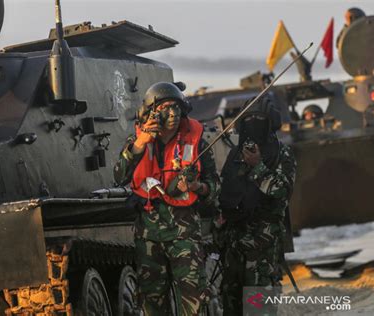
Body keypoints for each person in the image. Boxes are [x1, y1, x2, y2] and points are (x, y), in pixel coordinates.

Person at [114, 82, 219, 315]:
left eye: (176, 107)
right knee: (152, 302)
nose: (172, 114)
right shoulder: (138, 140)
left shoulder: (196, 139)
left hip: (185, 234)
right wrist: (140, 144)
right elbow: (120, 176)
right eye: (165, 108)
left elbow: (214, 186)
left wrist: (197, 186)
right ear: (151, 112)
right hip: (149, 234)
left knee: (194, 300)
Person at [216, 96, 296, 315]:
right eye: (249, 118)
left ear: (270, 122)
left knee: (259, 308)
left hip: (263, 247)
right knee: (231, 306)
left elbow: (281, 191)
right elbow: (223, 190)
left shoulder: (282, 153)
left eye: (259, 118)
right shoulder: (235, 154)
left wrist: (257, 166)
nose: (254, 122)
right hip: (234, 246)